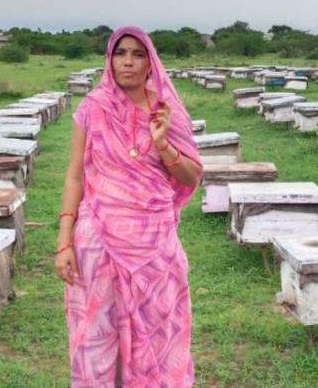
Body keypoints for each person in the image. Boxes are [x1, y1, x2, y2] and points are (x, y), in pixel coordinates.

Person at [55, 26, 203, 387]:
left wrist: (163, 143)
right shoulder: (92, 109)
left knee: (159, 333)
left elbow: (192, 175)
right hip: (97, 243)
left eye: (138, 54)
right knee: (97, 340)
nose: (128, 62)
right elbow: (75, 178)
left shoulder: (166, 113)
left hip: (155, 246)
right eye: (121, 53)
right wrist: (63, 244)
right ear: (110, 59)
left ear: (151, 63)